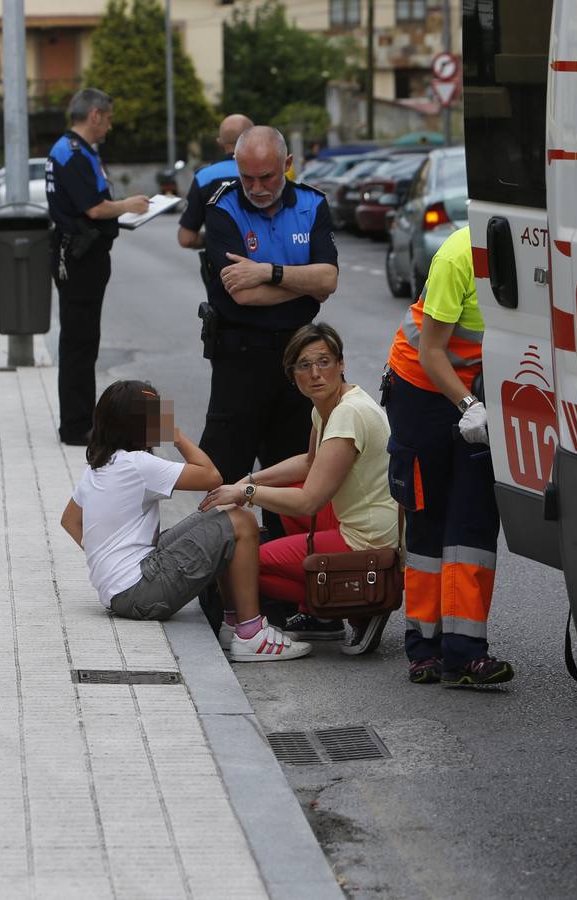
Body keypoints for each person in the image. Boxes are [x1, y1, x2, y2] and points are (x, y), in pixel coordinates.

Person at [60, 381, 310, 662]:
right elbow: (212, 475)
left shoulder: (100, 465)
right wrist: (175, 434)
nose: (161, 422)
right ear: (137, 424)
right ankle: (252, 634)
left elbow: (69, 521)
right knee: (242, 521)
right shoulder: (139, 464)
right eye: (156, 416)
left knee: (225, 513)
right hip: (139, 591)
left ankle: (233, 624)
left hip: (119, 591)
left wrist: (105, 557)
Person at [200, 323, 398, 654]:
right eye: (304, 365)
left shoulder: (348, 414)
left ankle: (359, 606)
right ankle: (321, 617)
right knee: (289, 485)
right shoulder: (331, 404)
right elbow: (308, 465)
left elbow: (309, 501)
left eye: (324, 361)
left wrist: (245, 494)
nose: (316, 373)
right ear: (292, 374)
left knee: (242, 561)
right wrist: (249, 480)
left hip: (369, 541)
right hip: (368, 521)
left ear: (341, 364)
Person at [384, 225, 514, 687]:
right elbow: (432, 350)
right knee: (429, 515)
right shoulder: (458, 257)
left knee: (474, 522)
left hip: (475, 392)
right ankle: (424, 647)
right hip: (420, 390)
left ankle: (465, 652)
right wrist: (468, 406)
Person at [200, 125, 339, 529]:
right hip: (240, 358)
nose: (257, 187)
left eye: (268, 176)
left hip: (298, 356)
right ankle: (220, 587)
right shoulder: (223, 207)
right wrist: (303, 285)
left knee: (294, 471)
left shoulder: (312, 204)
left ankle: (283, 576)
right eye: (248, 177)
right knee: (224, 473)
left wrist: (267, 271)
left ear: (288, 165)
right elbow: (242, 295)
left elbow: (328, 280)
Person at [46, 88, 150, 446]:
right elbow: (93, 207)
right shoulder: (71, 153)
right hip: (78, 258)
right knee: (78, 342)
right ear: (94, 115)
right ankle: (75, 426)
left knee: (84, 340)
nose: (109, 124)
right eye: (108, 117)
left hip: (85, 256)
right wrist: (128, 205)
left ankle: (80, 418)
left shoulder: (79, 150)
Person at [176, 114, 253, 249]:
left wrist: (215, 238)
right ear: (254, 138)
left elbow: (186, 239)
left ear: (219, 142)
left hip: (224, 268)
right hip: (268, 267)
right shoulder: (270, 172)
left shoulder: (205, 177)